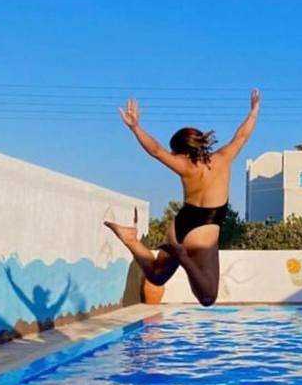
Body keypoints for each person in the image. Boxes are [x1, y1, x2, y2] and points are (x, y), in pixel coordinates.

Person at [104, 90, 260, 306]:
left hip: (181, 225)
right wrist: (253, 111)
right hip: (205, 230)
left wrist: (136, 128)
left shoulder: (184, 166)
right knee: (207, 297)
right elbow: (242, 135)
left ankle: (130, 239)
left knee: (157, 276)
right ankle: (182, 256)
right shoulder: (224, 158)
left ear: (180, 151)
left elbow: (156, 151)